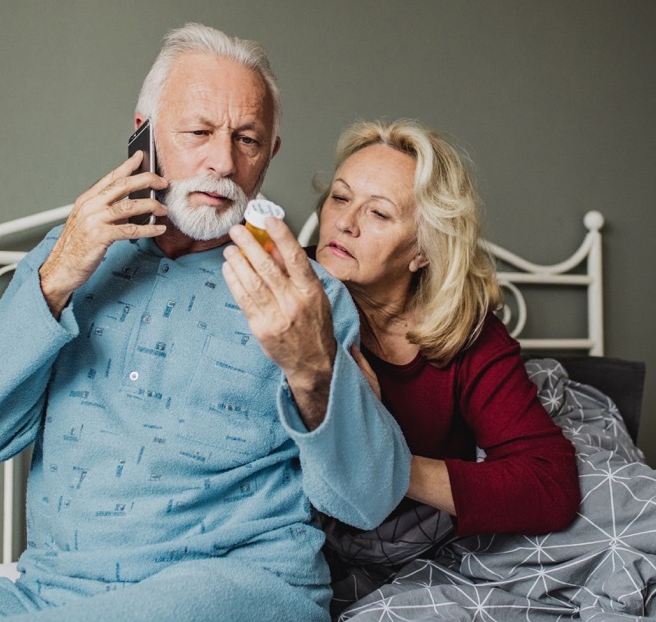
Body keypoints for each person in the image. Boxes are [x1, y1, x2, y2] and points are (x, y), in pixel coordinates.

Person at [0, 23, 410, 622]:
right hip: (51, 594)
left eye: (247, 140)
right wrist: (57, 276)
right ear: (143, 133)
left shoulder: (303, 291)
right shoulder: (68, 254)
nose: (223, 161)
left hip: (238, 588)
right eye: (198, 132)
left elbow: (367, 499)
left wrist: (312, 366)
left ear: (269, 154)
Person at [233, 119, 579, 612]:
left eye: (378, 213)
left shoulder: (465, 331)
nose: (345, 223)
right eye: (339, 197)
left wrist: (377, 460)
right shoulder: (283, 291)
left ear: (423, 250)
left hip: (421, 546)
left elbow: (550, 484)